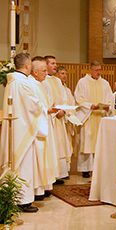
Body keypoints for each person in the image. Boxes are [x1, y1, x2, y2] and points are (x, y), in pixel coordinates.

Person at [0, 53, 42, 212]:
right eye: (30, 64)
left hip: (14, 128)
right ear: (26, 66)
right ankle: (23, 200)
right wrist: (41, 106)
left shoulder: (11, 81)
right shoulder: (23, 83)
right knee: (23, 164)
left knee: (13, 163)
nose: (31, 66)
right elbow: (34, 105)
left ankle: (10, 197)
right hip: (23, 129)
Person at [74, 61, 114, 178]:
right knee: (87, 143)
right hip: (89, 116)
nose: (98, 72)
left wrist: (107, 106)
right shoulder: (83, 82)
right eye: (96, 70)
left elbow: (110, 98)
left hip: (101, 117)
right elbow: (79, 98)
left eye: (100, 70)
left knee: (99, 143)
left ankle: (98, 168)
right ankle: (85, 169)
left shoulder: (105, 83)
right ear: (90, 70)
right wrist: (90, 105)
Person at [28, 57, 59, 199]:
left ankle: (45, 187)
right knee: (40, 158)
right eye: (43, 71)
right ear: (35, 72)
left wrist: (49, 109)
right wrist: (47, 110)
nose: (46, 73)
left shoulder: (40, 84)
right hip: (38, 128)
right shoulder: (31, 85)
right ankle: (38, 190)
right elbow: (34, 108)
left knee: (47, 156)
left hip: (46, 124)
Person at [42, 55, 72, 182]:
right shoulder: (42, 81)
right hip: (51, 118)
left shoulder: (57, 80)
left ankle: (59, 173)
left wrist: (63, 110)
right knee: (53, 147)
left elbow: (64, 97)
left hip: (59, 117)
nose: (55, 65)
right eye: (52, 63)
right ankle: (51, 175)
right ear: (46, 65)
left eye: (55, 63)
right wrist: (55, 113)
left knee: (60, 146)